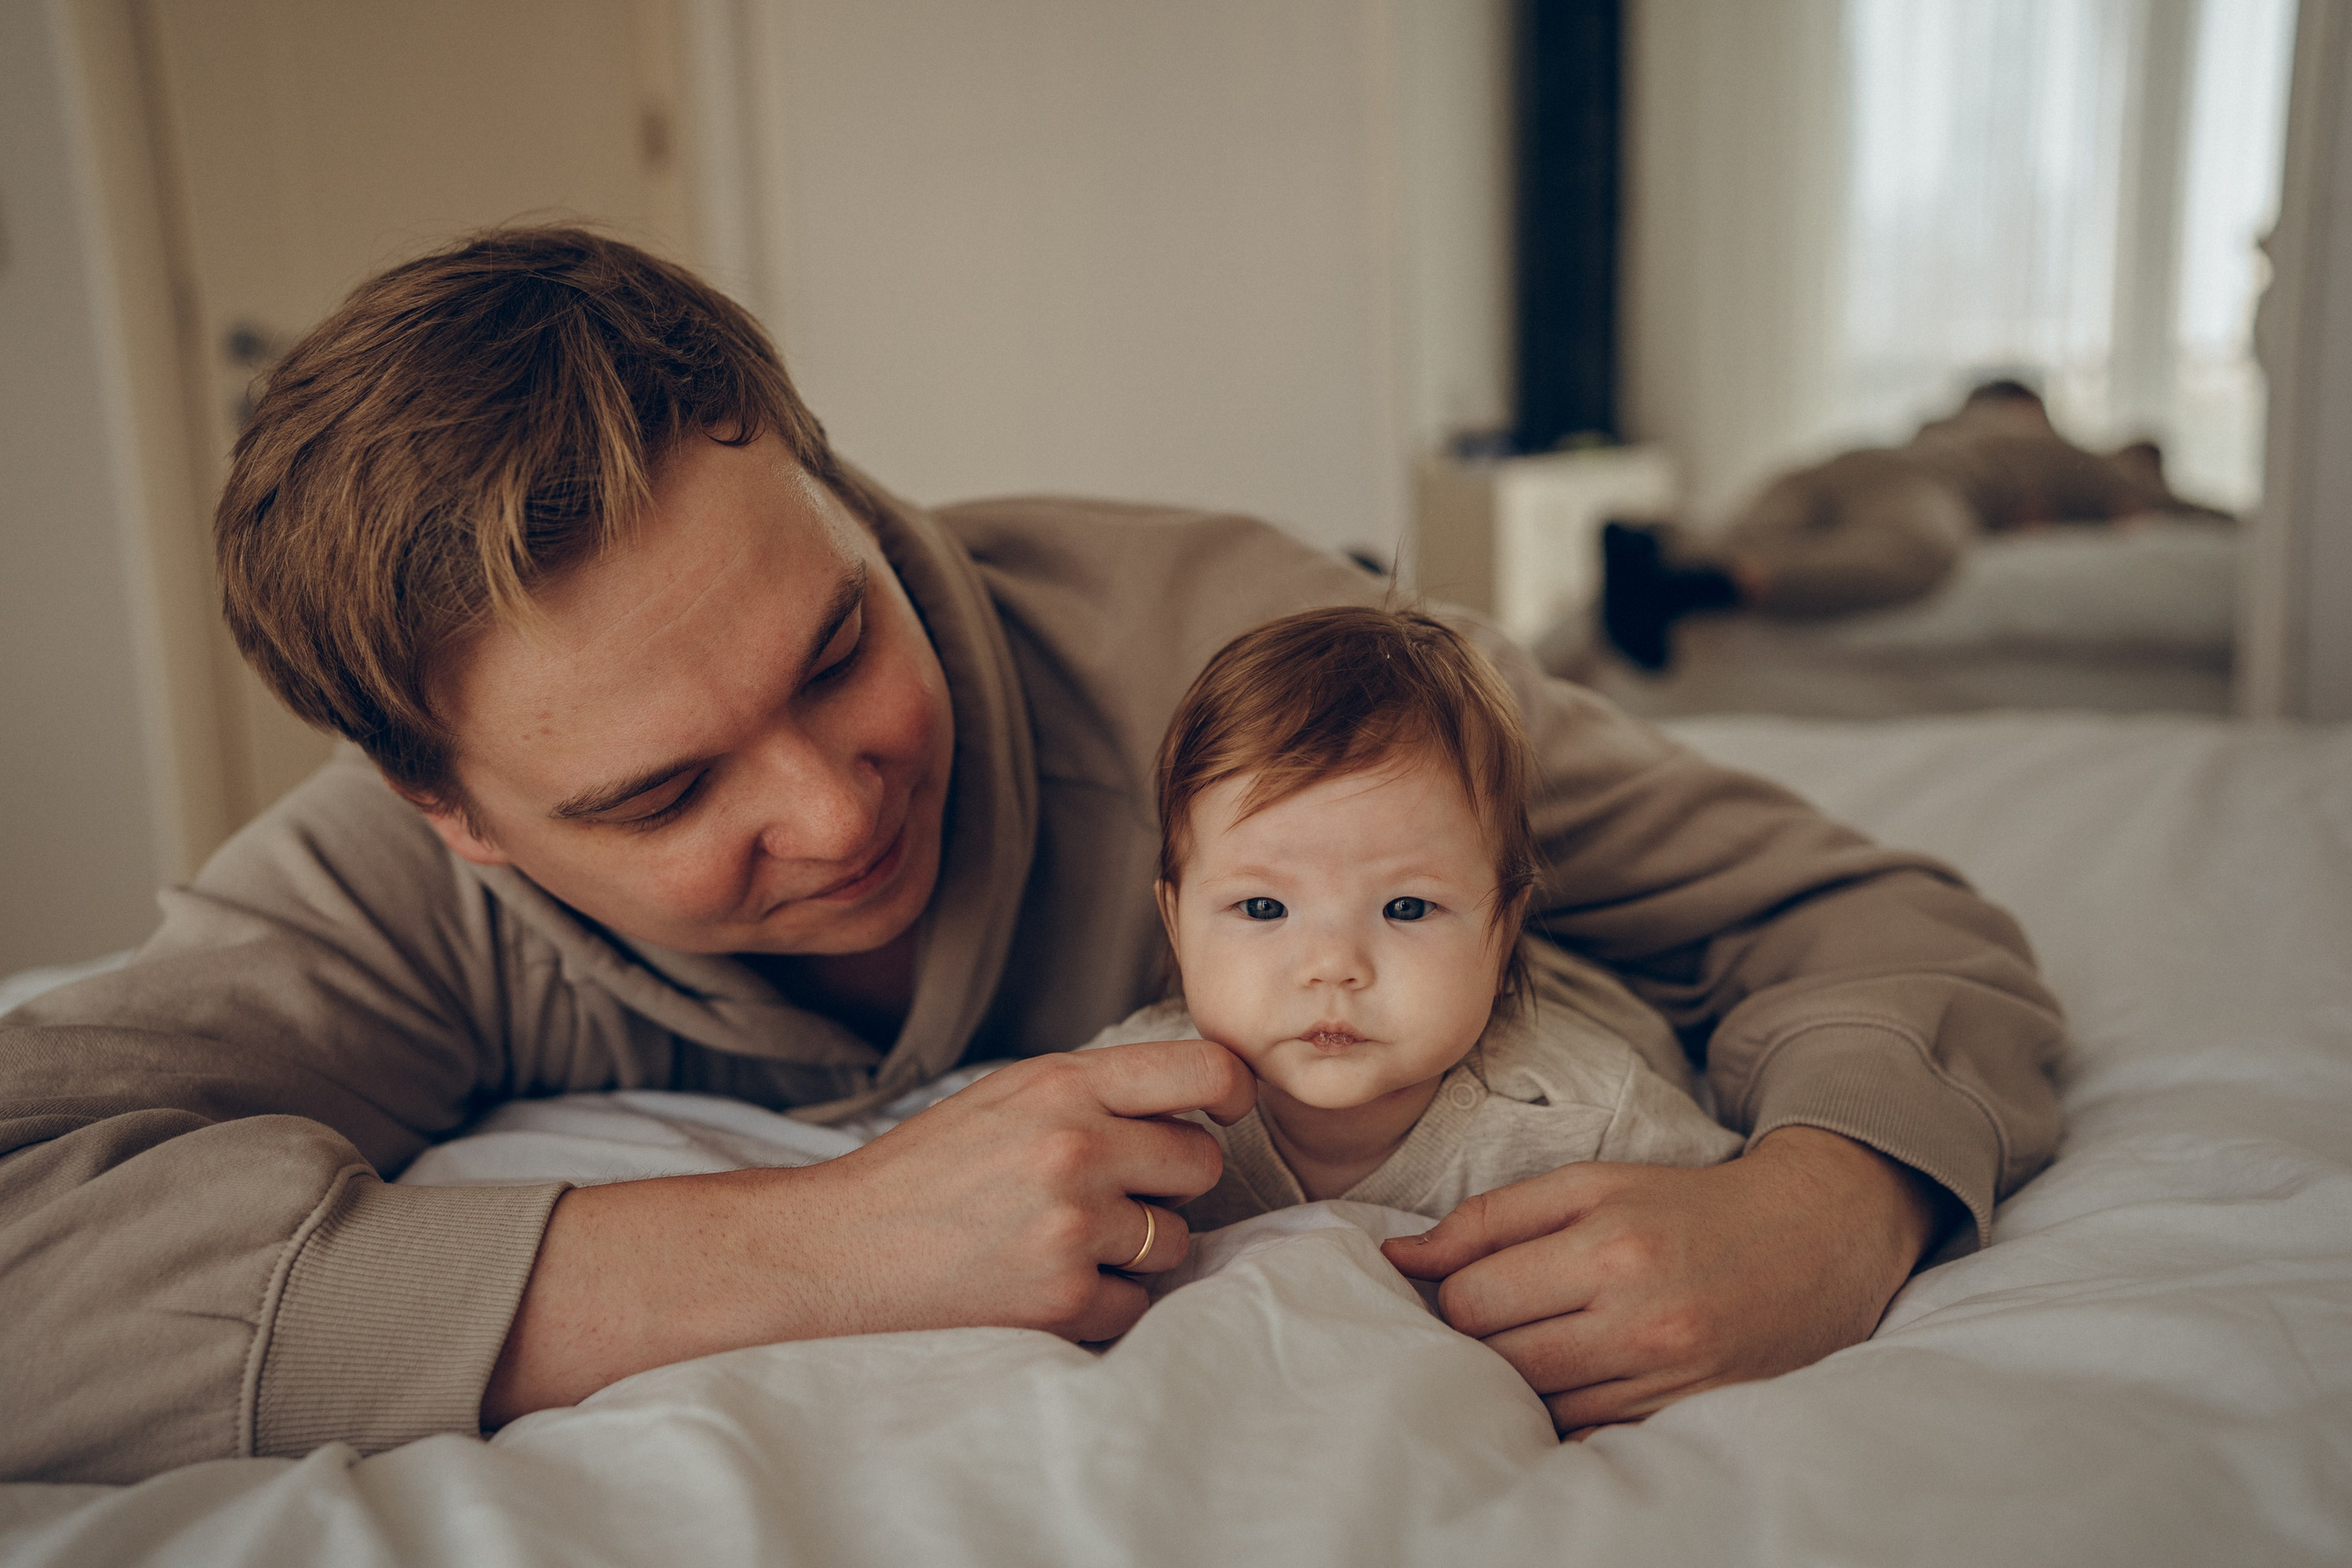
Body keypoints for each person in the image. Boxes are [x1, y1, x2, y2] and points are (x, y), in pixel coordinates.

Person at [0, 227, 2064, 1483]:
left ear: (824, 473)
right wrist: (800, 1251)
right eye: (657, 796)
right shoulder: (394, 888)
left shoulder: (1240, 671)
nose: (827, 810)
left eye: (837, 646)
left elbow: (1852, 911)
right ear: (450, 815)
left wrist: (1830, 1202)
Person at [1081, 605, 1738, 1230]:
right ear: (1176, 923)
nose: (1333, 965)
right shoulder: (1132, 1104)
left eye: (1406, 907)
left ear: (1505, 927)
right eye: (1262, 907)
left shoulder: (1588, 1116)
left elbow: (1722, 1233)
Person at [1600, 379, 2235, 671]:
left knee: (1754, 525)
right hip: (1925, 490)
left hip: (1847, 460)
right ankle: (1703, 588)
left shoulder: (1943, 424)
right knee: (1917, 554)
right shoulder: (2077, 456)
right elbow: (2184, 507)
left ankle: (1656, 543)